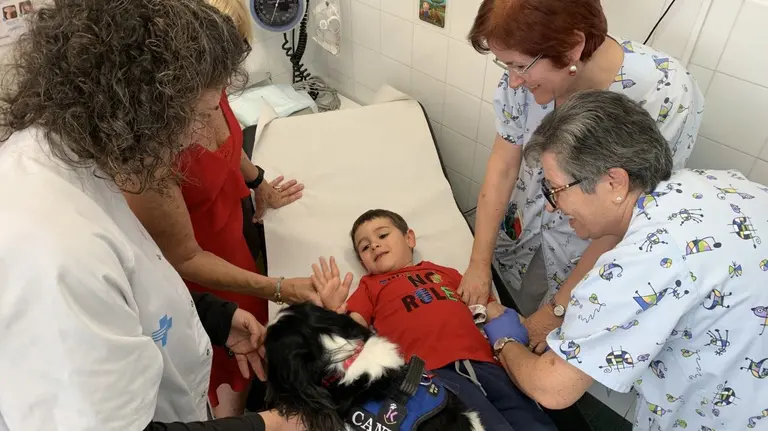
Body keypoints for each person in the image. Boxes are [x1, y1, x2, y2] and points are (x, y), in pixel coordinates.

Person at [0, 1, 306, 429]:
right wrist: (272, 424)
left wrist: (215, 318)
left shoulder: (76, 157)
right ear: (145, 105)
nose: (202, 135)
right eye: (198, 115)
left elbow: (135, 287)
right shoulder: (58, 257)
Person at [481, 89, 768, 431]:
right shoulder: (718, 183)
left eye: (556, 190)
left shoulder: (640, 261)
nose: (550, 206)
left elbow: (552, 388)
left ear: (614, 182)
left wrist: (504, 340)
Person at [460, 0, 705, 354]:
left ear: (573, 46)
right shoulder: (521, 78)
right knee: (507, 327)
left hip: (589, 258)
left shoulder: (663, 93)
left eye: (520, 66)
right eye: (506, 65)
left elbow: (630, 211)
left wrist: (559, 307)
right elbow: (503, 167)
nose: (513, 79)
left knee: (548, 355)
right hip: (523, 232)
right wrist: (478, 263)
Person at [124, 0, 314, 417]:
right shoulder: (144, 157)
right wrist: (281, 287)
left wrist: (257, 180)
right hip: (198, 268)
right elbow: (185, 257)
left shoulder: (211, 88)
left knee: (253, 349)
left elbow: (226, 143)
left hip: (234, 240)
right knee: (221, 370)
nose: (226, 84)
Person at [311, 209, 557, 431]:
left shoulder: (445, 273)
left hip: (487, 362)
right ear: (362, 262)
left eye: (382, 235)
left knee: (532, 421)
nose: (374, 246)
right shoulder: (370, 286)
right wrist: (334, 312)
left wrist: (529, 330)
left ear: (410, 238)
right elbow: (355, 332)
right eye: (364, 247)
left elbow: (490, 307)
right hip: (432, 374)